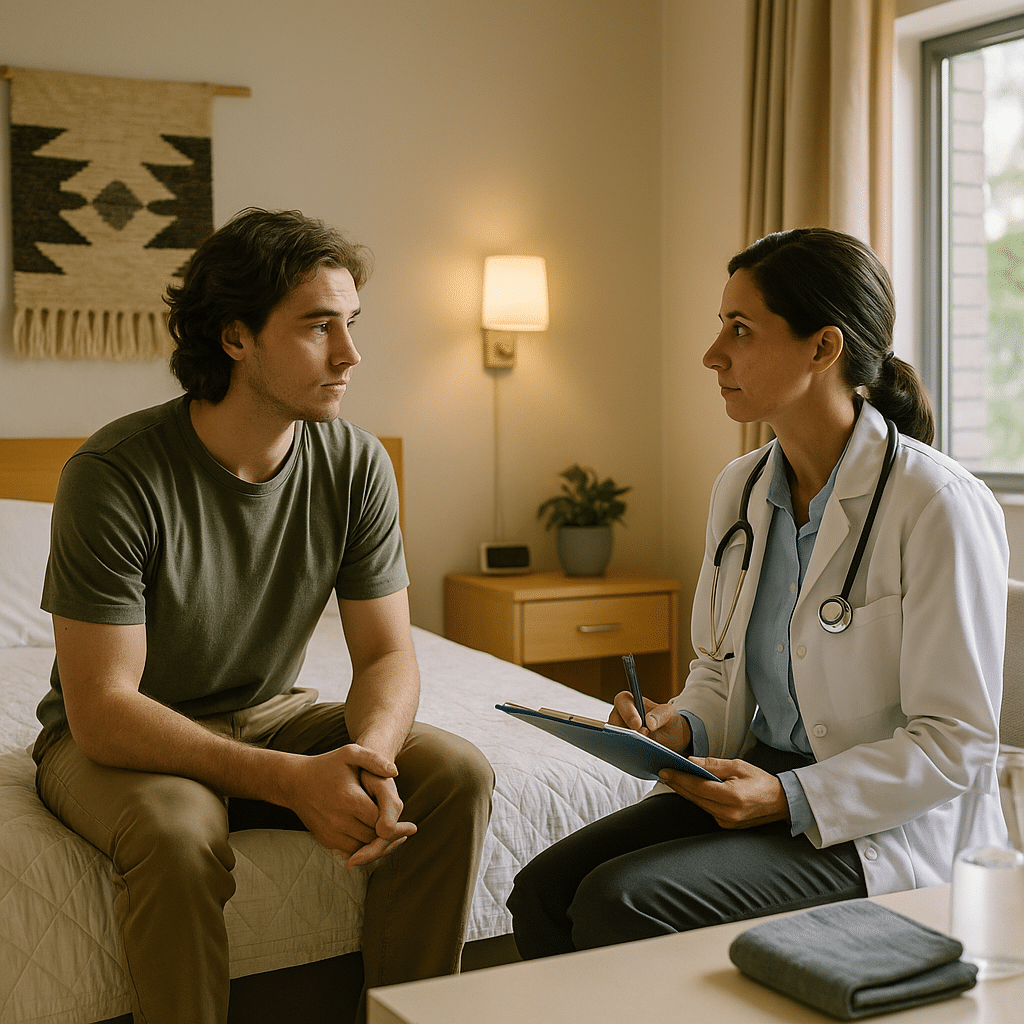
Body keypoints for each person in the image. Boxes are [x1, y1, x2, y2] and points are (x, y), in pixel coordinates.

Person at [32, 207, 494, 1023]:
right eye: (319, 326)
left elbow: (387, 654)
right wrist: (288, 781)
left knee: (455, 773)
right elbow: (102, 708)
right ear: (236, 336)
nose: (350, 354)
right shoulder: (113, 473)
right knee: (177, 833)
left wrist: (371, 761)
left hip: (269, 714)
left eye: (351, 323)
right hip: (125, 737)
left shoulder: (355, 462)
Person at [507, 227, 1009, 957]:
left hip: (882, 823)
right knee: (544, 889)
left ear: (823, 348)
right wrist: (678, 727)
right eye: (721, 325)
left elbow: (956, 744)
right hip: (763, 777)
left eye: (740, 329)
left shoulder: (936, 504)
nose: (713, 353)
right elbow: (720, 673)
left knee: (622, 903)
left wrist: (787, 796)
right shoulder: (741, 490)